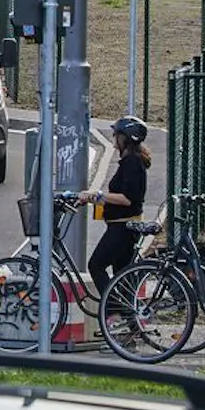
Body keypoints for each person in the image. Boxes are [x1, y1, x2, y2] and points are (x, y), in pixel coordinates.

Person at [84, 116, 151, 293]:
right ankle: (124, 315)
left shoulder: (132, 163)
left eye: (117, 135)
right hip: (120, 225)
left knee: (96, 265)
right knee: (121, 274)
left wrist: (98, 196)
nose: (114, 139)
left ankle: (112, 309)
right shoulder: (130, 161)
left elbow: (126, 198)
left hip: (123, 227)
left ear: (126, 139)